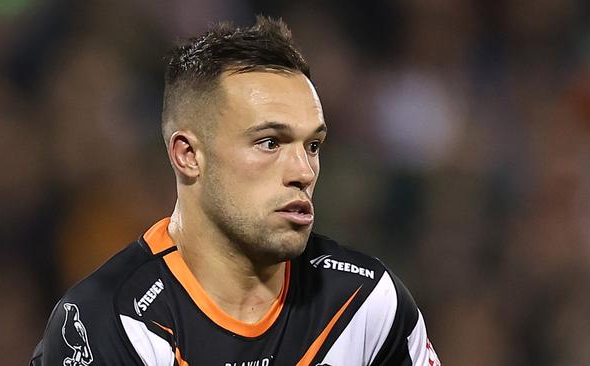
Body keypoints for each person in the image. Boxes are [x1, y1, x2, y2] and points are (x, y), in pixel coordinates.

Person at [30, 17, 440, 366]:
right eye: (269, 143)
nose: (303, 171)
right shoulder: (112, 320)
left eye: (312, 145)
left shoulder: (366, 305)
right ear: (188, 155)